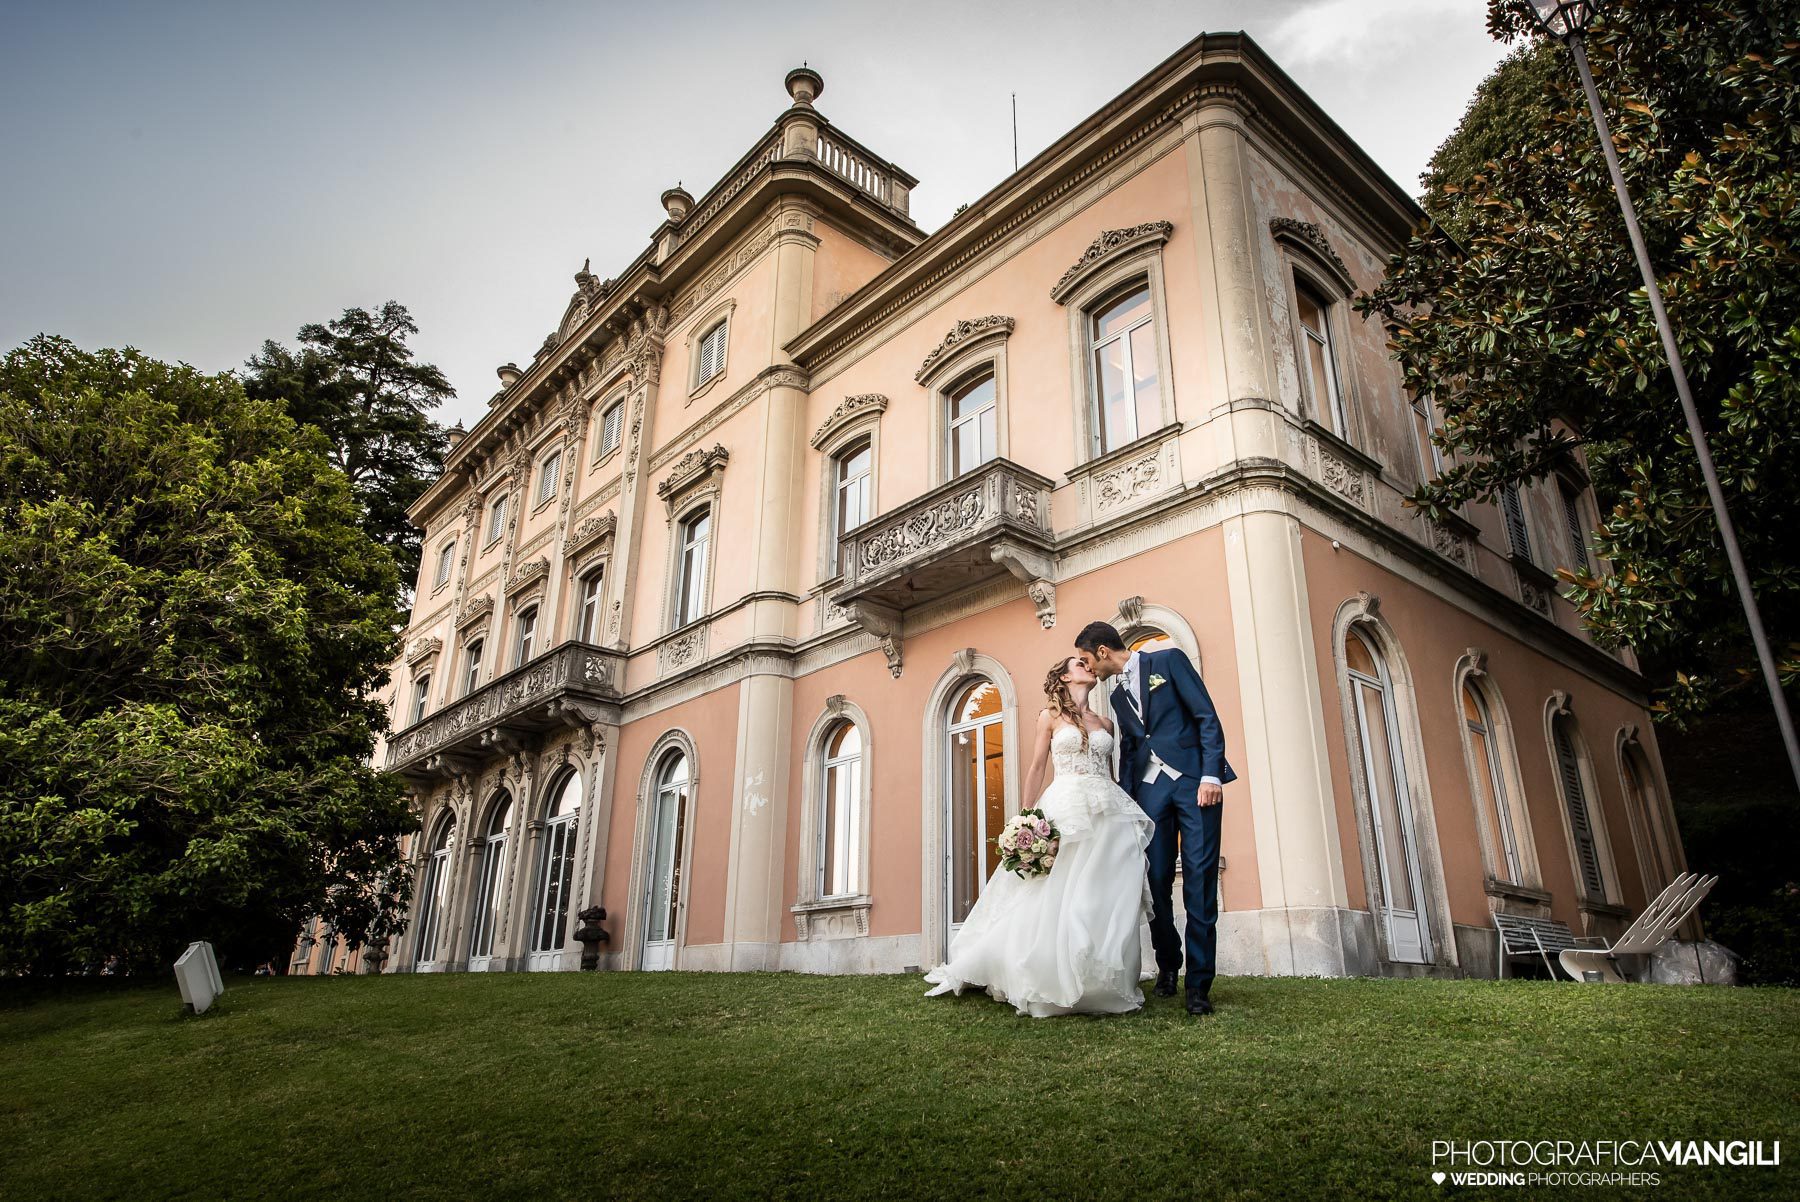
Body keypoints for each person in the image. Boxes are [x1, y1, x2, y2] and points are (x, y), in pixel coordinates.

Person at [923, 656, 1155, 1017]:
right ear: (1064, 676)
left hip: (1106, 809)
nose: (1089, 667)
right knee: (1057, 892)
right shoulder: (1049, 717)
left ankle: (1101, 977)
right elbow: (1036, 767)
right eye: (1080, 663)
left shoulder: (1106, 721)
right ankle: (1050, 972)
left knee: (1102, 892)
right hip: (1065, 805)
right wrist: (1026, 820)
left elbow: (1107, 771)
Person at [1074, 621, 1235, 1016]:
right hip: (1150, 797)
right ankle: (1168, 963)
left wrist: (1211, 774)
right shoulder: (1116, 700)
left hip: (1196, 786)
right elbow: (1131, 749)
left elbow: (1206, 717)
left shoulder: (1169, 660)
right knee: (1155, 880)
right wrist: (1127, 801)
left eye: (1086, 659)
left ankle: (1198, 986)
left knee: (1199, 880)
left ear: (1103, 652)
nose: (1087, 667)